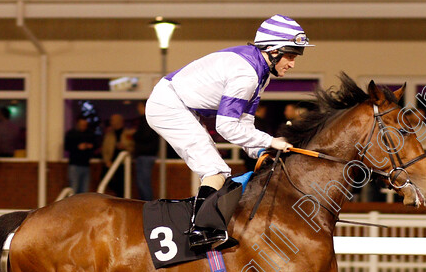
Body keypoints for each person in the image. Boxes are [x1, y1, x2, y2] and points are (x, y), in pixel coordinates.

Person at [146, 14, 310, 248]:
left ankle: (203, 227)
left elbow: (243, 125)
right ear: (273, 51)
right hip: (168, 105)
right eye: (291, 56)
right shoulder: (247, 74)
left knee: (218, 170)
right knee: (215, 169)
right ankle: (198, 231)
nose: (292, 63)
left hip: (180, 105)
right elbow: (226, 127)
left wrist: (262, 150)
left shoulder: (260, 75)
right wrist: (272, 141)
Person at [101, 114, 134, 197]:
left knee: (122, 184)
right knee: (105, 179)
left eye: (114, 120)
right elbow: (104, 148)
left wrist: (125, 147)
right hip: (111, 162)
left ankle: (121, 200)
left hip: (123, 163)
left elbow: (132, 147)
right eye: (111, 121)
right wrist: (106, 160)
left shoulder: (128, 133)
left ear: (120, 121)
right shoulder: (109, 135)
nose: (112, 123)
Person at [132, 102, 160, 201]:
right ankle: (146, 203)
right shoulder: (151, 119)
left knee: (143, 182)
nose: (138, 109)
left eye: (139, 107)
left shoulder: (146, 120)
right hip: (146, 154)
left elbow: (145, 136)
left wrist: (134, 135)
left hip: (145, 155)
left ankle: (147, 203)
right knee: (143, 182)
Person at [64, 116, 96, 194]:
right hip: (75, 165)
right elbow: (67, 146)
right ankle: (73, 206)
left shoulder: (89, 134)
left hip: (86, 165)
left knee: (85, 191)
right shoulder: (71, 134)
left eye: (85, 125)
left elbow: (96, 145)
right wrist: (77, 147)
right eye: (82, 125)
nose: (83, 127)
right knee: (73, 189)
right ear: (78, 124)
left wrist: (89, 146)